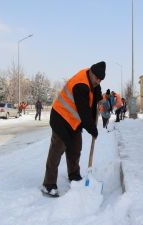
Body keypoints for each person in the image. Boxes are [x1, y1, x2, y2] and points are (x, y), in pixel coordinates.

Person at [41, 61, 106, 197]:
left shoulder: (92, 78)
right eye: (97, 78)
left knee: (75, 148)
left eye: (101, 80)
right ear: (91, 73)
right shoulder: (80, 85)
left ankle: (74, 175)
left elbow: (96, 90)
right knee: (57, 150)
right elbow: (84, 113)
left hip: (74, 121)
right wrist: (92, 129)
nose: (98, 81)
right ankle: (48, 184)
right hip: (61, 118)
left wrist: (99, 98)